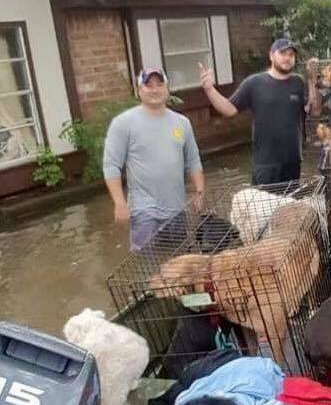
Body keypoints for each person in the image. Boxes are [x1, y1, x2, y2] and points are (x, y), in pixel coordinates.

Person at [103, 67, 204, 251]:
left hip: (177, 208)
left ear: (167, 88)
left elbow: (193, 160)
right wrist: (120, 203)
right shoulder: (123, 123)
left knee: (178, 266)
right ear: (139, 90)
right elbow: (111, 166)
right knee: (148, 265)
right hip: (144, 211)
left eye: (159, 84)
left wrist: (199, 190)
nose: (155, 89)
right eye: (148, 85)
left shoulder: (182, 123)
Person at [199, 39, 316, 185]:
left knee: (289, 206)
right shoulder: (254, 83)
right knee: (265, 207)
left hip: (292, 161)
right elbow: (229, 109)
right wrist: (209, 89)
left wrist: (313, 80)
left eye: (291, 54)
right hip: (265, 164)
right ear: (271, 55)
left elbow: (314, 110)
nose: (287, 58)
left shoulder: (298, 82)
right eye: (282, 53)